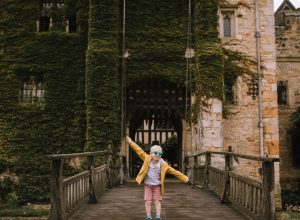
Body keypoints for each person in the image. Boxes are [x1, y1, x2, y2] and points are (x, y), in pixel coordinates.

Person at [126, 136, 190, 220]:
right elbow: (139, 150)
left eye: (160, 154)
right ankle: (148, 216)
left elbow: (174, 171)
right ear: (151, 154)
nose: (158, 155)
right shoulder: (147, 158)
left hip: (157, 186)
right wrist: (130, 142)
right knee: (148, 201)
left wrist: (184, 178)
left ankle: (158, 216)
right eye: (156, 153)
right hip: (147, 185)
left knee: (157, 201)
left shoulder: (163, 164)